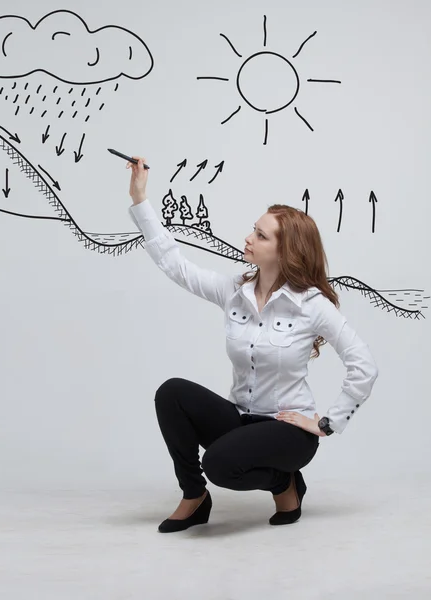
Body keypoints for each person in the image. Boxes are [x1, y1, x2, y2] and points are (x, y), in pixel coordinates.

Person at [125, 156, 379, 534]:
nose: (248, 238)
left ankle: (284, 482)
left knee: (219, 464)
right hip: (241, 418)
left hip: (288, 429)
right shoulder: (235, 292)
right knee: (172, 393)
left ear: (286, 250)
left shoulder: (312, 305)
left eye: (261, 235)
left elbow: (364, 366)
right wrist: (140, 199)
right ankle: (194, 495)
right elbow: (175, 265)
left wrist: (326, 423)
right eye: (253, 230)